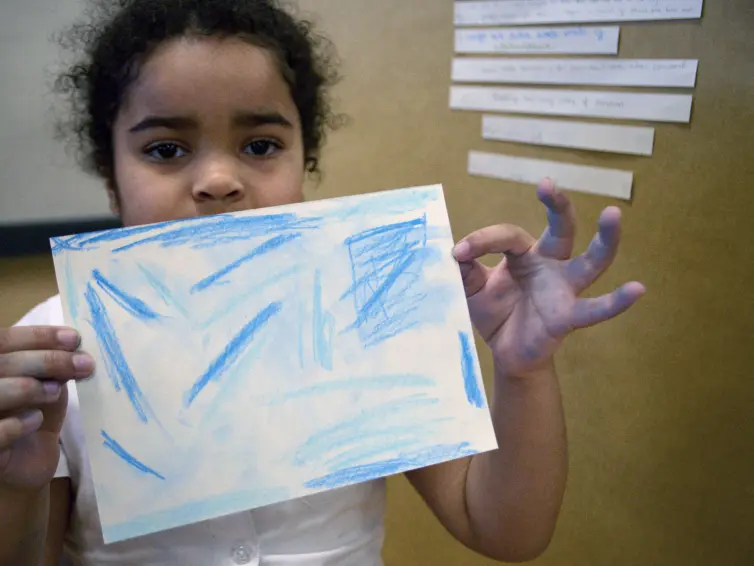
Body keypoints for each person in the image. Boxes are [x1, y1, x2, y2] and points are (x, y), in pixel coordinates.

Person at [0, 1, 646, 564]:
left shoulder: (366, 309)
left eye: (260, 146)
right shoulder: (54, 353)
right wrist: (15, 486)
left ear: (303, 163)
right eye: (166, 149)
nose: (219, 179)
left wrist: (523, 374)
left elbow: (504, 529)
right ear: (111, 180)